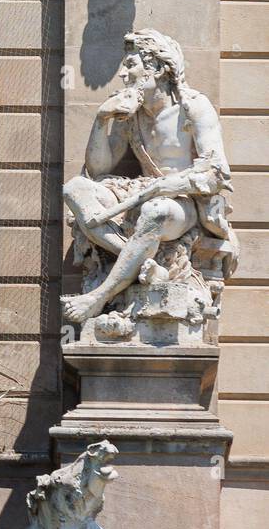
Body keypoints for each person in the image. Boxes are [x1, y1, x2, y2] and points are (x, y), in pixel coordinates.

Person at [61, 28, 237, 326]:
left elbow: (217, 172)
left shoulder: (193, 106)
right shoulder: (131, 113)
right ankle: (146, 264)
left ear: (156, 67)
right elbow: (98, 170)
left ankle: (98, 297)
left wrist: (169, 184)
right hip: (138, 192)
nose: (123, 74)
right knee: (75, 188)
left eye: (131, 64)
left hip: (182, 202)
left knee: (156, 210)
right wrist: (102, 117)